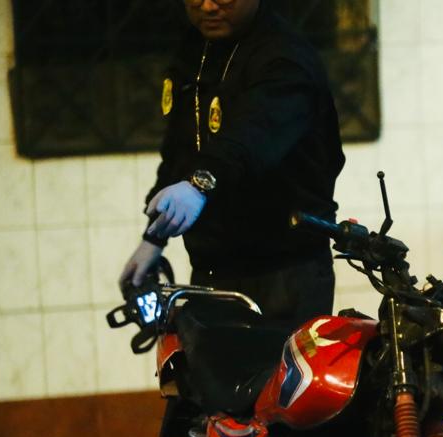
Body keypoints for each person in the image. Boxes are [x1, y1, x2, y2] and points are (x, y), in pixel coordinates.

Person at [119, 0, 346, 329]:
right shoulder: (196, 49)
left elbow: (252, 136)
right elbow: (180, 149)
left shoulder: (284, 56)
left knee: (281, 379)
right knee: (205, 377)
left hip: (286, 272)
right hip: (214, 269)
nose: (208, 6)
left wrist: (200, 183)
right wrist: (154, 237)